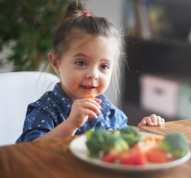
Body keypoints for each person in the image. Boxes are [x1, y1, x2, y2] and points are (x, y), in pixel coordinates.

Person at [16, 1, 164, 143]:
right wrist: (71, 124)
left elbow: (122, 147)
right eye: (81, 63)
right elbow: (28, 152)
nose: (93, 74)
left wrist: (143, 131)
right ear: (56, 63)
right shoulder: (45, 110)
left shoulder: (110, 112)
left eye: (104, 66)